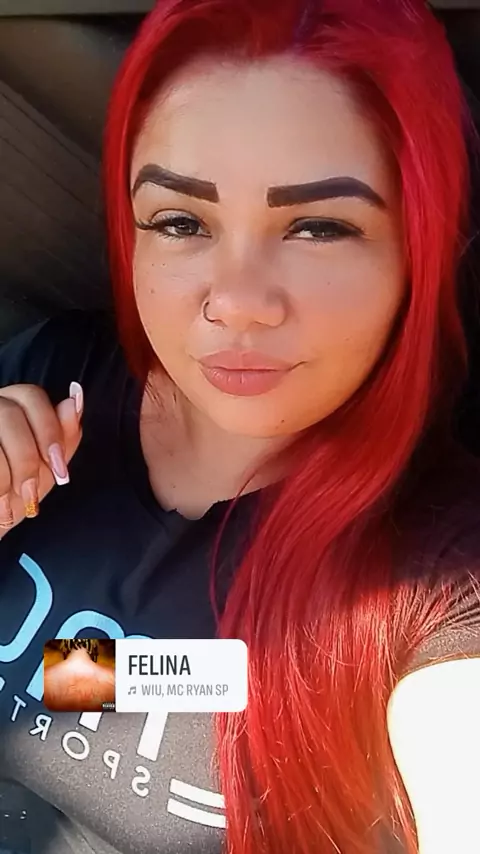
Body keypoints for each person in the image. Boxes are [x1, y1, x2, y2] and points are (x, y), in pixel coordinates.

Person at [0, 0, 479, 852]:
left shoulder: (442, 568)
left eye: (320, 227)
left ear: (418, 249)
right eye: (181, 221)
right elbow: (93, 680)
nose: (237, 302)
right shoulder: (51, 379)